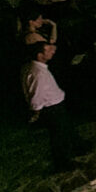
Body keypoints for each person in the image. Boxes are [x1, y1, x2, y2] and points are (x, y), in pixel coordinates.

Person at [21, 42, 85, 171]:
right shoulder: (38, 73)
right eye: (48, 50)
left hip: (56, 104)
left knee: (66, 128)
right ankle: (64, 163)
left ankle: (78, 147)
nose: (52, 51)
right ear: (40, 55)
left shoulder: (35, 68)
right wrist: (36, 113)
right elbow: (36, 96)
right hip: (51, 108)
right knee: (59, 136)